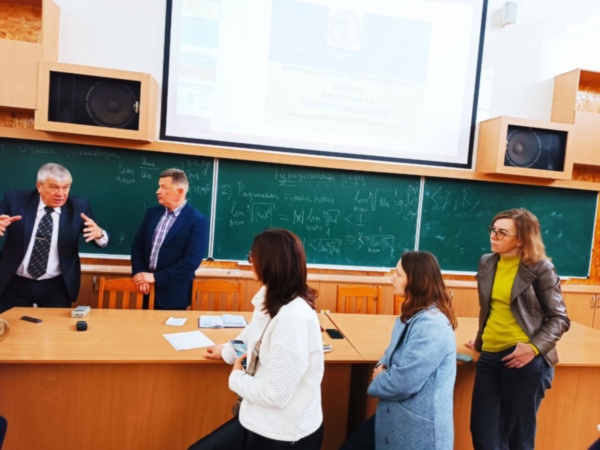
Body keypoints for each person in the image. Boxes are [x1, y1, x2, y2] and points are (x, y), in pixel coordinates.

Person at [188, 228, 324, 450]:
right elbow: (253, 333)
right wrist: (226, 351)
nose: (250, 261)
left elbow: (275, 395)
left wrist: (236, 378)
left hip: (284, 435)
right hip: (261, 419)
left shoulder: (292, 318)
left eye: (253, 256)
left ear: (270, 263)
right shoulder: (271, 297)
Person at [467, 208, 570, 450]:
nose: (494, 236)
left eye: (502, 233)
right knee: (483, 433)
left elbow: (560, 318)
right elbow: (490, 309)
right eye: (493, 230)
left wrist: (533, 348)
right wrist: (481, 340)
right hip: (490, 356)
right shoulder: (487, 262)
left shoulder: (541, 268)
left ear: (521, 239)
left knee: (518, 437)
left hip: (525, 359)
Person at [341, 250, 457, 450]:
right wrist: (383, 368)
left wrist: (380, 377)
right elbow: (389, 355)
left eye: (398, 274)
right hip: (396, 416)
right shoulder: (412, 313)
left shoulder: (432, 325)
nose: (392, 278)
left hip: (416, 430)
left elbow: (404, 382)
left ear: (416, 280)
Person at [0, 163, 108, 313]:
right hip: (14, 282)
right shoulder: (15, 199)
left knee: (56, 327)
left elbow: (99, 239)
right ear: (39, 186)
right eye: (54, 187)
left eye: (66, 187)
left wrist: (99, 234)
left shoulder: (79, 206)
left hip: (56, 286)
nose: (61, 194)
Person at [131, 168, 208, 310]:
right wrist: (140, 275)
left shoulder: (197, 220)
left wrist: (155, 277)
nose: (157, 191)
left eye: (164, 187)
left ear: (180, 191)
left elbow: (191, 261)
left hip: (174, 295)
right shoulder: (152, 213)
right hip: (145, 289)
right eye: (159, 186)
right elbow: (138, 246)